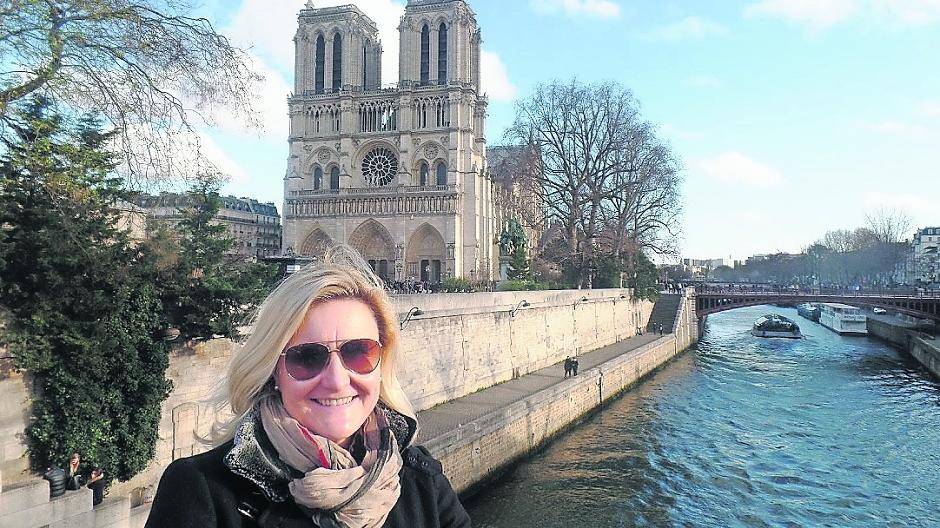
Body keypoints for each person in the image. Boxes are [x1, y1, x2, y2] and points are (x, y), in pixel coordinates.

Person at [146, 246, 470, 528]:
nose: (336, 380)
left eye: (359, 352)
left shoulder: (422, 481)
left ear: (382, 363)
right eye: (307, 358)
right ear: (273, 369)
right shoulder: (201, 491)